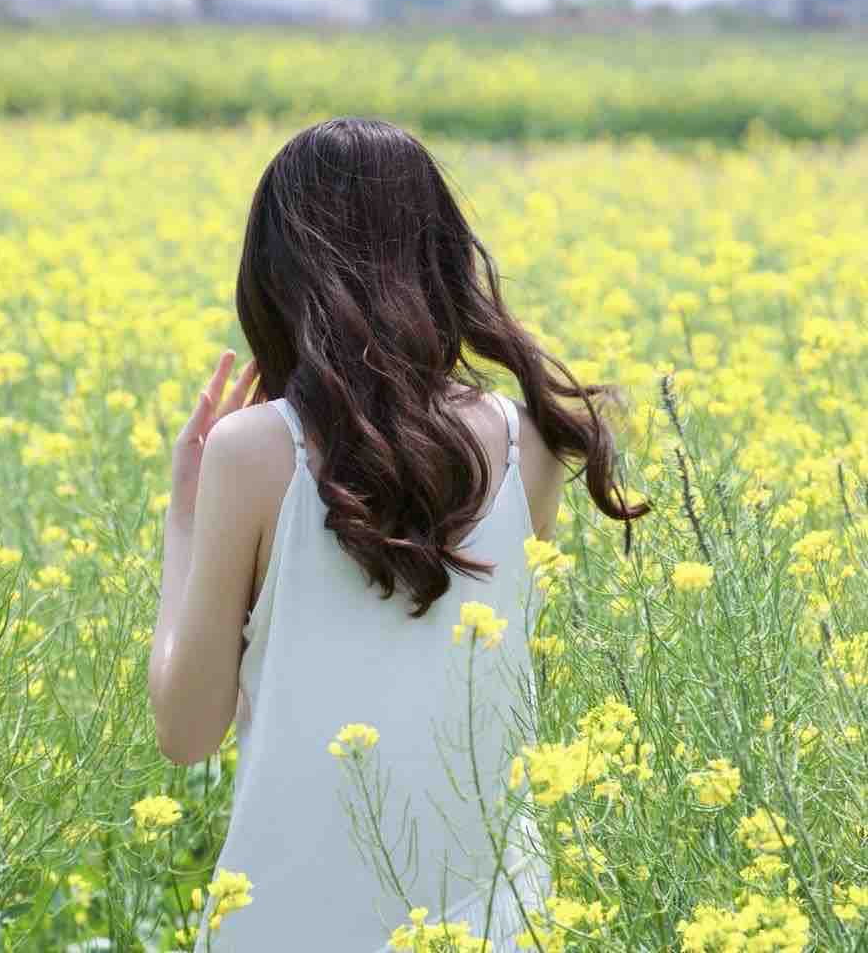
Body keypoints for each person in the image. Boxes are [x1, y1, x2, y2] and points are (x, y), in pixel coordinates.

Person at [148, 117, 650, 951]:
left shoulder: (252, 452)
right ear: (440, 259)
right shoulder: (528, 444)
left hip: (290, 921)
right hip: (493, 922)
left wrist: (185, 518)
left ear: (277, 269)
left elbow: (187, 731)